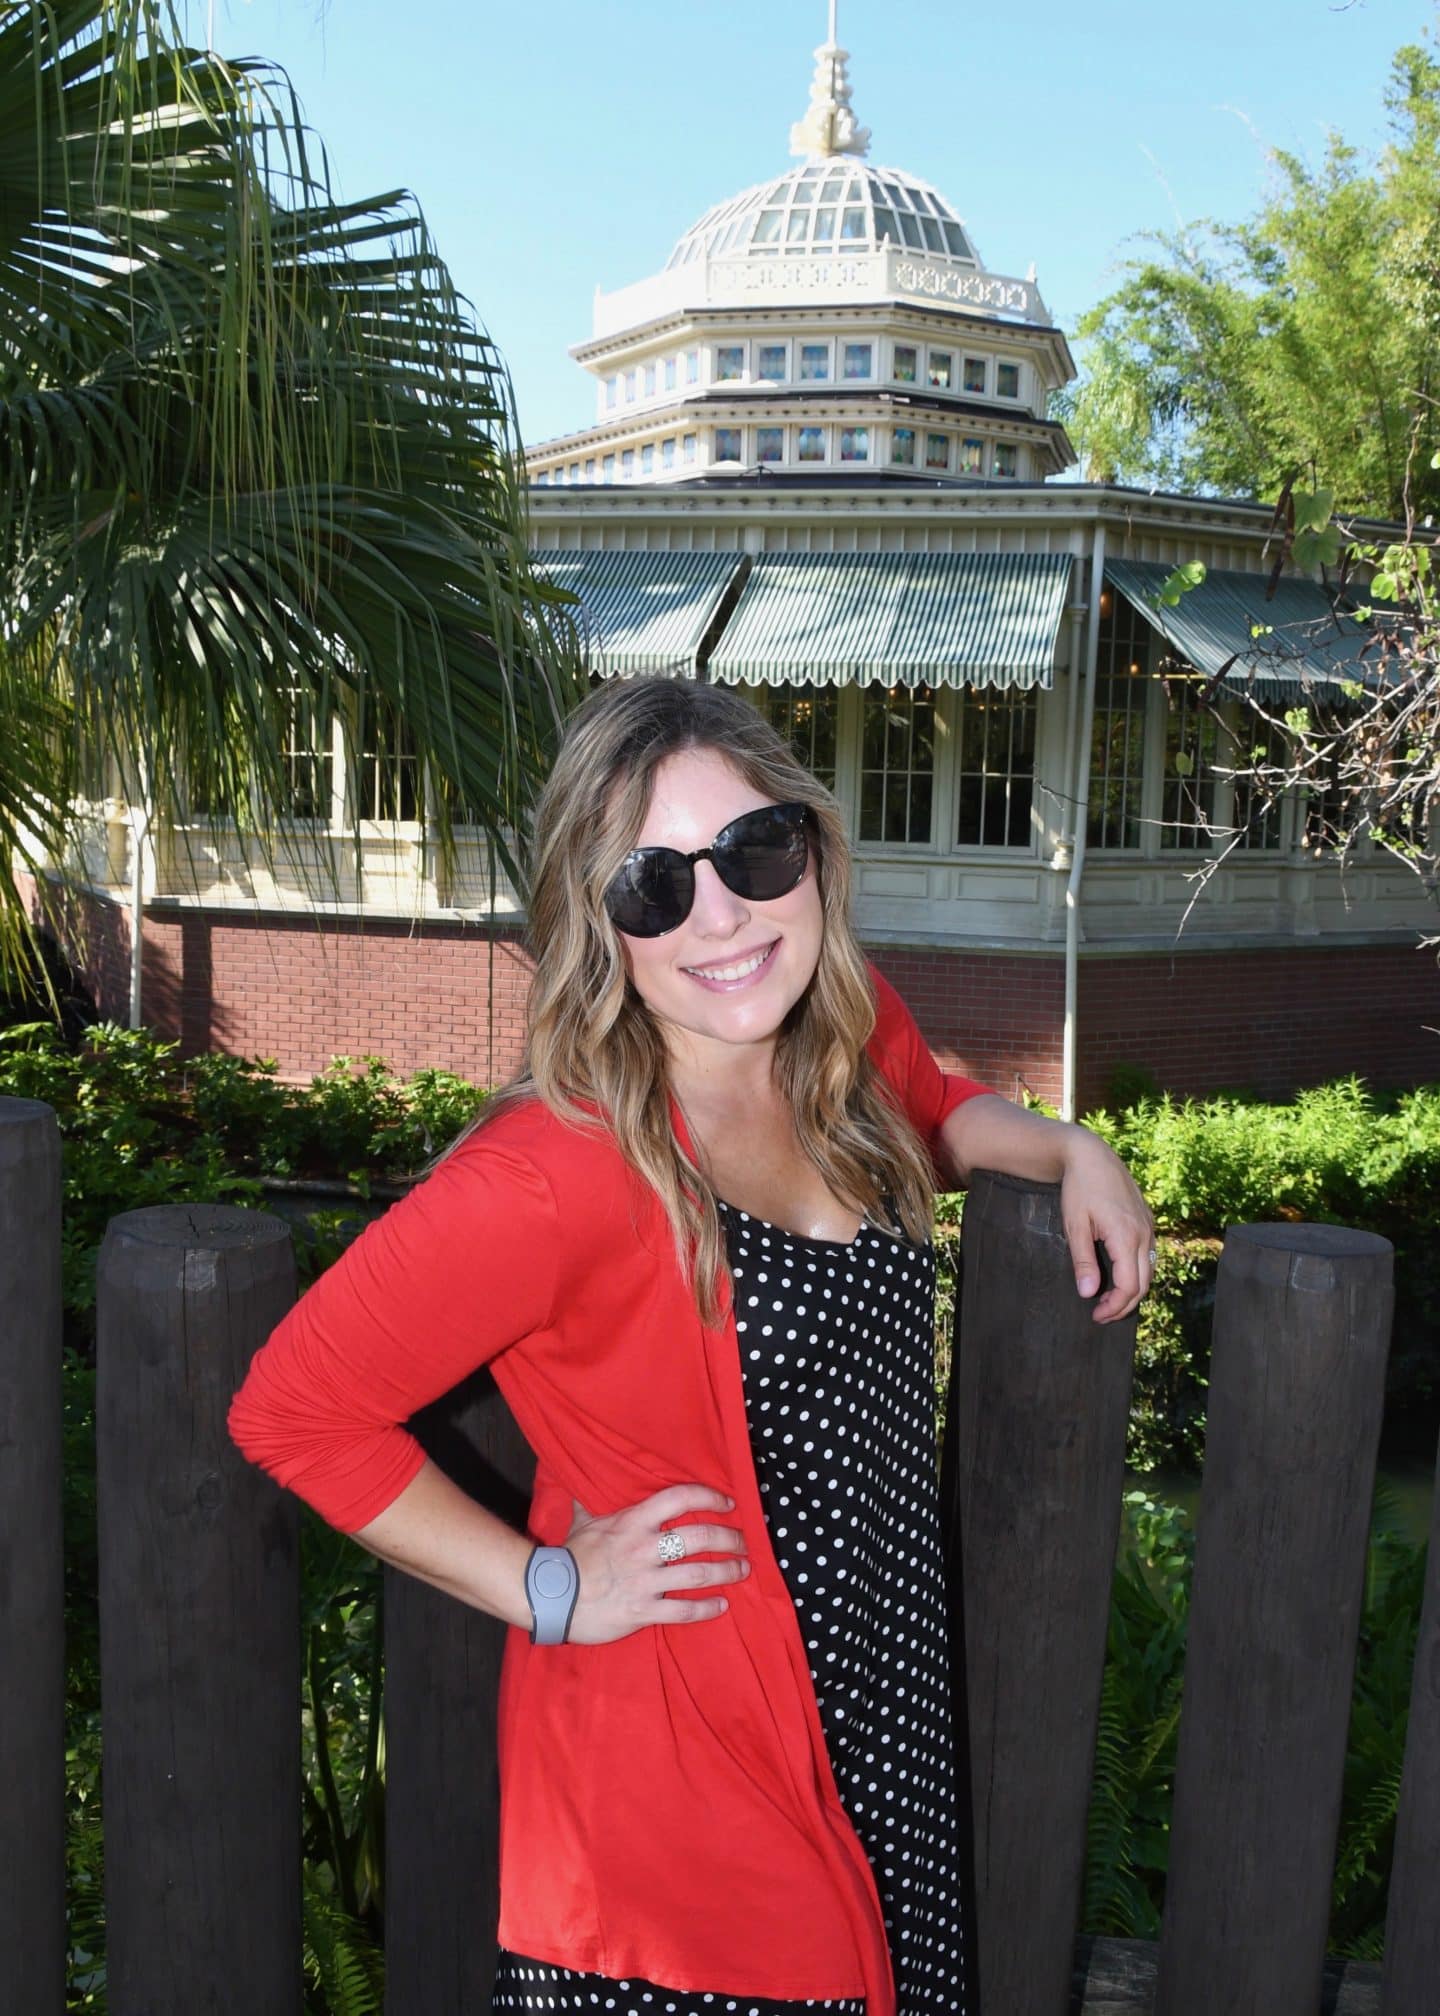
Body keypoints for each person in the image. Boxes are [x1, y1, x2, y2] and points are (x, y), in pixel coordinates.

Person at [228, 675, 1154, 2016]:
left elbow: (934, 1105)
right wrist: (548, 1588)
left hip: (880, 1731)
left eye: (754, 852)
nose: (720, 914)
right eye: (653, 886)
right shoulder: (558, 1167)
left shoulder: (833, 1039)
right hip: (678, 1824)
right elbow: (293, 1410)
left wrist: (1065, 1144)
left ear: (813, 850)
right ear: (597, 924)